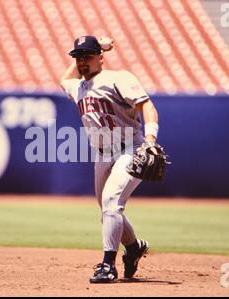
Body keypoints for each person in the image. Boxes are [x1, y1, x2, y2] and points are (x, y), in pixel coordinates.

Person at [60, 35, 160, 283]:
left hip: (130, 148)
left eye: (88, 56)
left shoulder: (118, 78)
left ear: (101, 58)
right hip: (102, 155)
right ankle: (134, 247)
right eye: (78, 57)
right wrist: (85, 55)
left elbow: (147, 106)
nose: (83, 62)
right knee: (107, 208)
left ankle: (108, 265)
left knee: (111, 201)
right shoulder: (79, 87)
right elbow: (64, 80)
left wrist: (150, 140)